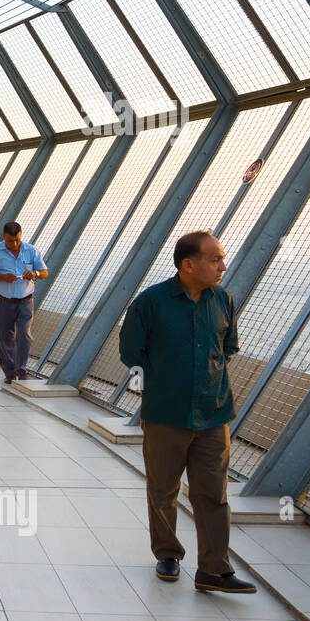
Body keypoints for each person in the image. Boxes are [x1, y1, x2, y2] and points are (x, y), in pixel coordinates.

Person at [119, 231, 255, 594]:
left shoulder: (223, 300)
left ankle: (214, 569)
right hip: (166, 414)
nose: (222, 266)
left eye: (222, 259)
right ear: (188, 265)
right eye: (215, 259)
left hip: (213, 414)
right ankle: (167, 554)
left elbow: (227, 348)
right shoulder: (150, 303)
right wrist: (167, 378)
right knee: (163, 489)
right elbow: (132, 353)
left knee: (213, 493)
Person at [0, 221, 48, 384]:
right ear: (4, 237)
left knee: (24, 334)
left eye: (17, 240)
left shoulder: (31, 250)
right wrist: (3, 277)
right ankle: (9, 372)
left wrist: (34, 273)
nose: (14, 244)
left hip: (26, 300)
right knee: (5, 336)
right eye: (10, 241)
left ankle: (21, 370)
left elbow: (44, 272)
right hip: (4, 300)